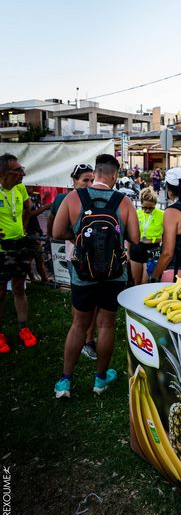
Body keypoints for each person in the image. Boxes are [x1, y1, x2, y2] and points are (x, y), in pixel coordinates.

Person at [52, 154, 139, 398]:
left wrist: (79, 236)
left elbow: (56, 232)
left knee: (79, 325)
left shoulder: (73, 197)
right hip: (114, 275)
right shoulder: (124, 201)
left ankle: (65, 382)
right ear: (114, 175)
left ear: (96, 173)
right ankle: (100, 380)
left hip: (83, 274)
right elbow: (135, 237)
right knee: (106, 324)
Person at [48, 164, 98, 359]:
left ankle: (89, 339)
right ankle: (81, 337)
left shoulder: (96, 197)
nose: (90, 184)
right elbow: (53, 222)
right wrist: (76, 236)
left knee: (94, 300)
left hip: (96, 257)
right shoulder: (64, 199)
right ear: (74, 181)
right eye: (85, 180)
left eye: (92, 180)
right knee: (80, 300)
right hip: (75, 257)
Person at [0, 153, 37, 353]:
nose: (23, 173)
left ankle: (24, 328)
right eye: (18, 170)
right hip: (2, 250)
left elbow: (27, 206)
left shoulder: (20, 188)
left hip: (19, 246)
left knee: (19, 288)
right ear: (3, 174)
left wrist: (22, 226)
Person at [149, 167, 181, 282]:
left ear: (168, 188)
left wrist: (154, 276)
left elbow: (168, 253)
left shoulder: (171, 212)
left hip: (175, 274)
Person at [130, 187, 164, 285]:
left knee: (146, 282)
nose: (147, 210)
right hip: (137, 248)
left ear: (155, 205)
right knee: (135, 281)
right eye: (144, 207)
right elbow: (129, 234)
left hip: (153, 249)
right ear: (141, 203)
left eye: (151, 208)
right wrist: (127, 253)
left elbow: (166, 235)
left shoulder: (162, 214)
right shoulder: (136, 213)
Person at [25, 186, 52, 282]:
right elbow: (29, 214)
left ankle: (40, 279)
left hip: (34, 230)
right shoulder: (23, 198)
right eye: (30, 186)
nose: (33, 187)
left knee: (37, 258)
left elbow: (35, 210)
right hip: (30, 231)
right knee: (35, 258)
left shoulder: (32, 196)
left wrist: (43, 202)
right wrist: (45, 207)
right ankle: (41, 280)